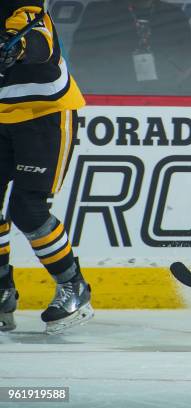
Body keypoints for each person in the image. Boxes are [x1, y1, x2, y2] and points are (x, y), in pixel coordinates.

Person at [0, 2, 93, 334]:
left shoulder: (21, 10)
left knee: (27, 208)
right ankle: (3, 292)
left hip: (44, 115)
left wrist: (16, 46)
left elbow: (40, 42)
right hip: (2, 117)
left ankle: (74, 286)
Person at [69, 0, 191, 95]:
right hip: (108, 96)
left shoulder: (173, 14)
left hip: (162, 96)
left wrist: (166, 87)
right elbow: (79, 58)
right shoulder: (99, 11)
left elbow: (187, 62)